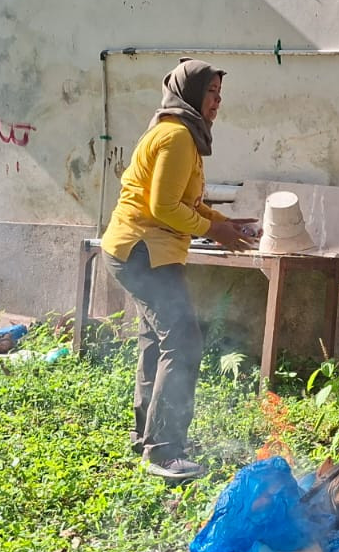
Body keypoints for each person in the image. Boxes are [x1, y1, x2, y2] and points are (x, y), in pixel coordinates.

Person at [101, 60, 256, 482]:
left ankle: (149, 439)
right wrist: (214, 229)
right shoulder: (176, 137)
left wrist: (223, 222)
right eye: (210, 93)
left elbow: (182, 200)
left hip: (142, 250)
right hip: (141, 251)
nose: (217, 103)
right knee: (184, 342)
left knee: (158, 341)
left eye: (220, 95)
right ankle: (165, 451)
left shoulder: (181, 134)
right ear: (190, 94)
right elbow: (163, 208)